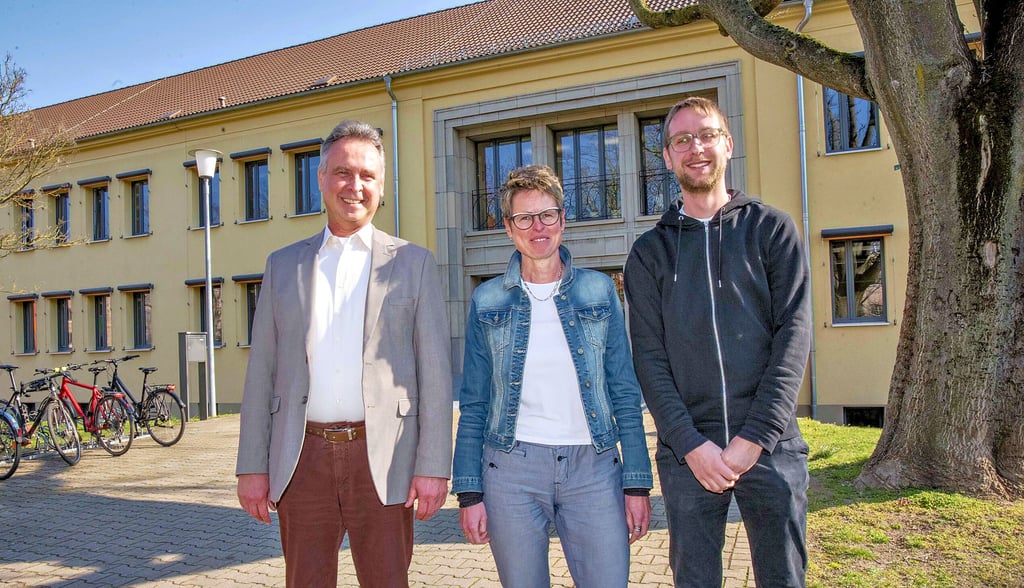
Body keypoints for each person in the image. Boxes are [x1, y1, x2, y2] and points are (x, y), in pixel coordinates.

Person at [235, 120, 453, 587]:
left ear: (381, 184)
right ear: (321, 177)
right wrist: (252, 466)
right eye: (342, 172)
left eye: (367, 176)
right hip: (301, 458)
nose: (355, 186)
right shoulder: (283, 265)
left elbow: (435, 374)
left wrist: (433, 467)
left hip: (385, 457)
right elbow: (262, 372)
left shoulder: (413, 263)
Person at [624, 96, 812, 587]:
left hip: (770, 445)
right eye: (681, 140)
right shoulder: (648, 254)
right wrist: (689, 445)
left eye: (706, 135)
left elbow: (794, 335)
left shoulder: (773, 230)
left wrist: (755, 437)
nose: (696, 148)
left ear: (727, 145)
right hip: (690, 452)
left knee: (784, 579)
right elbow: (649, 358)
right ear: (666, 157)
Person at [453, 164, 653, 587]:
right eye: (524, 218)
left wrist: (636, 484)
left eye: (547, 215)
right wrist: (469, 491)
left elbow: (623, 390)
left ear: (562, 219)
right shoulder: (486, 300)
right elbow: (474, 401)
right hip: (511, 471)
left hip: (594, 467)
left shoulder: (599, 292)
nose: (537, 227)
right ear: (508, 228)